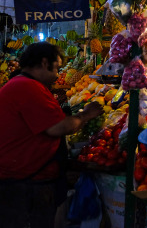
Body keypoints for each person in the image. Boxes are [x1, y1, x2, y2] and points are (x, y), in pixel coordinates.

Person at [0, 42, 103, 228]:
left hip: (24, 180)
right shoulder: (27, 88)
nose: (57, 75)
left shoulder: (20, 84)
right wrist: (87, 114)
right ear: (45, 63)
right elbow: (58, 127)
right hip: (25, 184)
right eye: (56, 68)